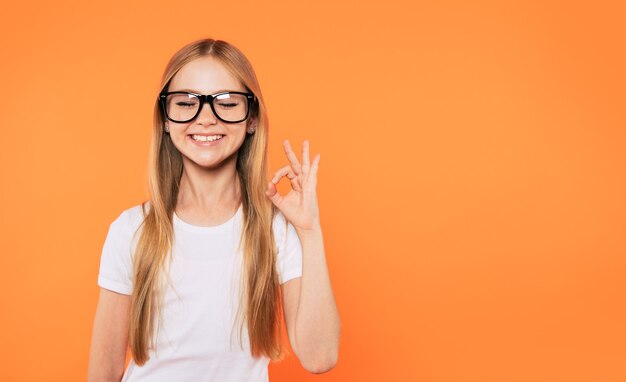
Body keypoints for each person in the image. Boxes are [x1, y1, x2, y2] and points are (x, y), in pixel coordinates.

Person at [88, 38, 340, 382]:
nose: (206, 118)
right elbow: (102, 373)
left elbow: (319, 356)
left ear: (251, 118)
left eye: (226, 102)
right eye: (186, 102)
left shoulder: (275, 230)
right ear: (165, 118)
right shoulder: (131, 230)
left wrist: (310, 232)